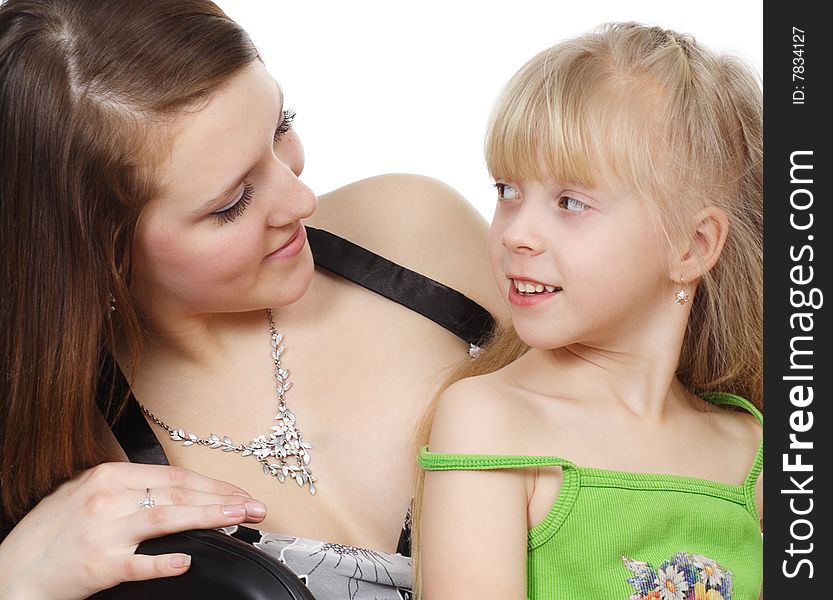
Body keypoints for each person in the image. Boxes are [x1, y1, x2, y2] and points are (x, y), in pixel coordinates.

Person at [0, 1, 503, 598]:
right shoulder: (63, 448)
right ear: (106, 250)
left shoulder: (415, 233)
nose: (301, 201)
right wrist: (18, 578)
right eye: (232, 202)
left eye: (280, 126)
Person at [416, 23, 763, 599]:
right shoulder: (490, 420)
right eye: (507, 191)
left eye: (570, 202)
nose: (517, 234)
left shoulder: (749, 448)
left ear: (692, 246)